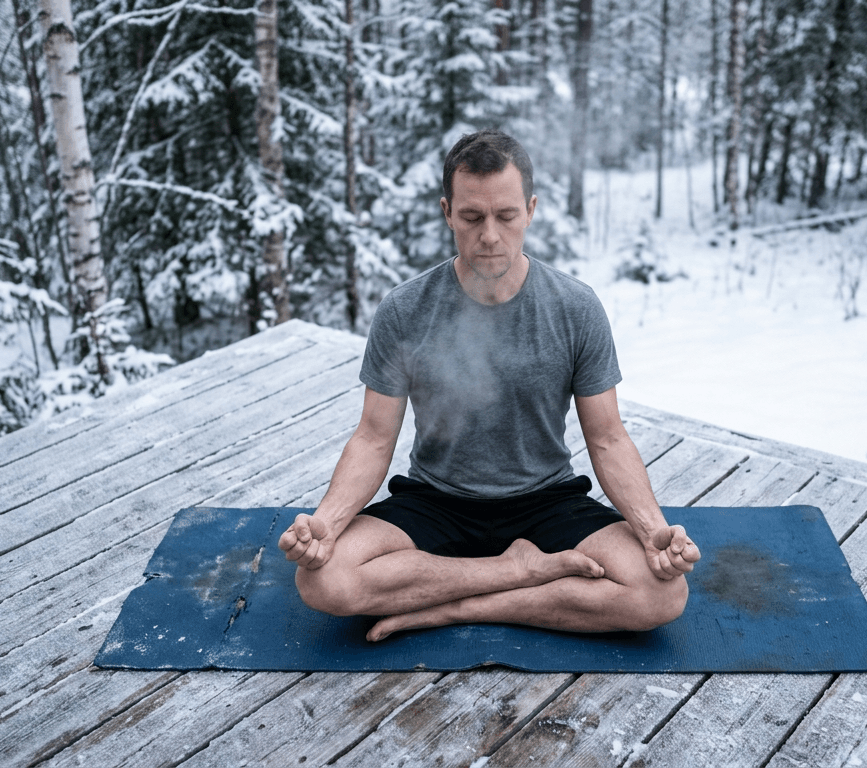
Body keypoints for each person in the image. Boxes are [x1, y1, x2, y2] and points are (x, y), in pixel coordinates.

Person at [278, 129, 700, 642]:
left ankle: (451, 608)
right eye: (472, 217)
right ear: (447, 212)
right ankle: (518, 573)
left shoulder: (575, 308)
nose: (490, 236)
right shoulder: (404, 310)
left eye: (506, 216)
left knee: (662, 593)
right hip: (436, 500)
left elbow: (608, 438)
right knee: (323, 582)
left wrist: (653, 531)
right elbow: (372, 438)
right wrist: (325, 525)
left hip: (546, 500)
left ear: (530, 209)